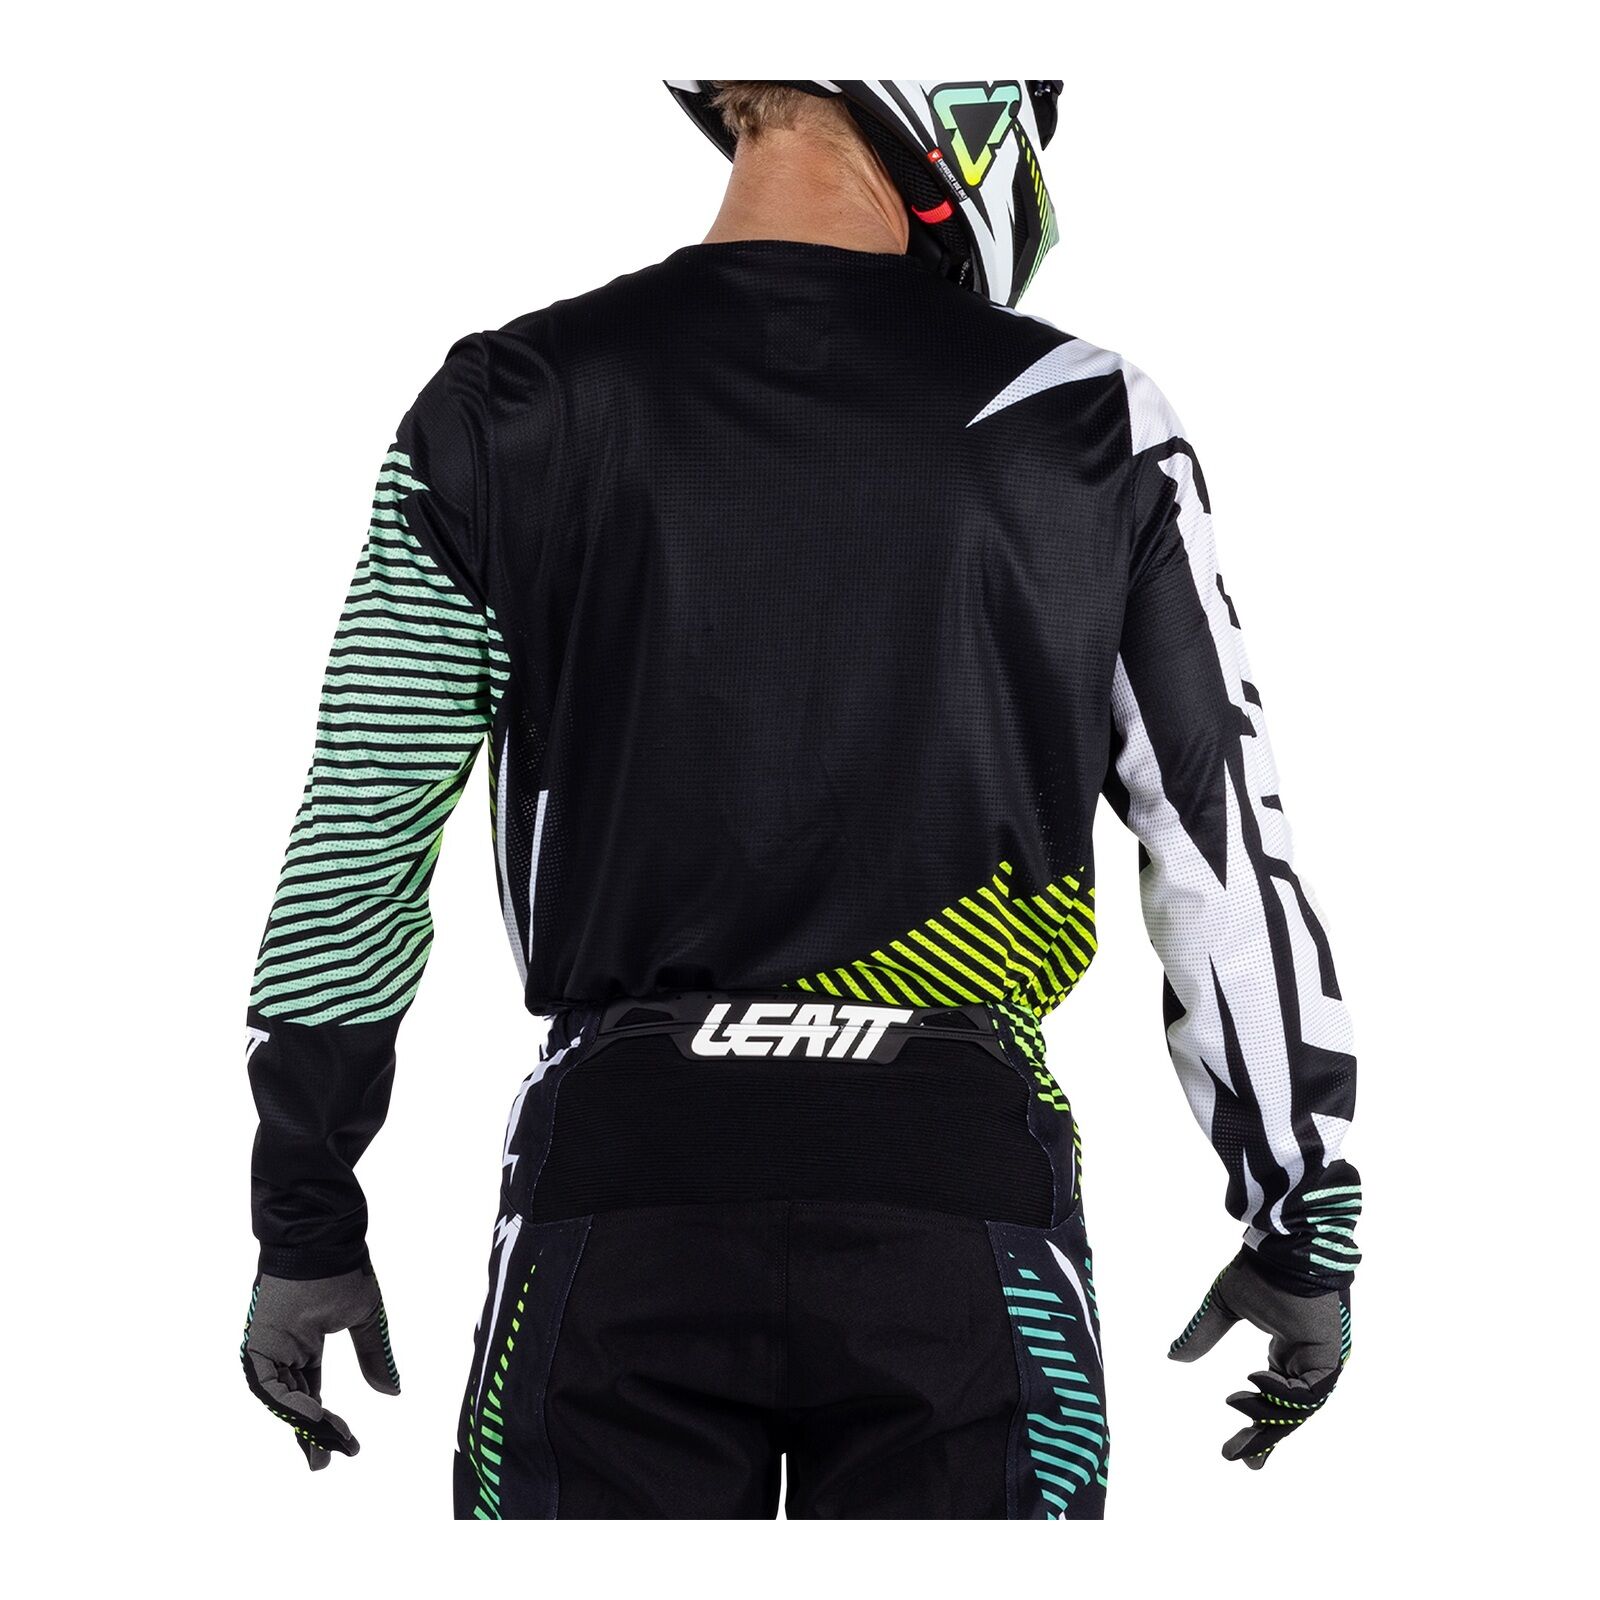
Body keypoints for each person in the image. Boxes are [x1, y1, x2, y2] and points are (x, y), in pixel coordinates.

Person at [239, 79, 1361, 1521]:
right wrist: (1304, 1216)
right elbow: (1219, 845)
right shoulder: (1090, 419)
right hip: (960, 1192)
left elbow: (360, 831)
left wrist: (306, 1214)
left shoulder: (504, 400)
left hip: (618, 1178)